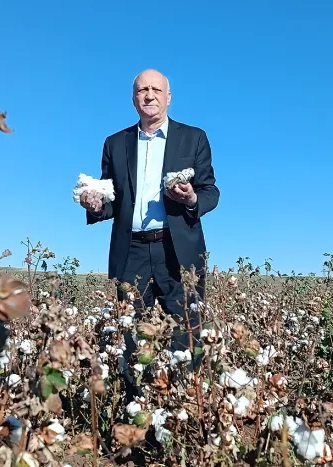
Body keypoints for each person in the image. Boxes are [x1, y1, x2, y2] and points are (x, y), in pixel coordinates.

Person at [80, 69, 220, 393]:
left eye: (156, 89)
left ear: (168, 97)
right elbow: (112, 199)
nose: (149, 95)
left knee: (186, 332)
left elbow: (210, 191)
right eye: (142, 90)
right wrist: (96, 204)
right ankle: (135, 408)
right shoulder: (115, 144)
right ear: (133, 99)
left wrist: (191, 198)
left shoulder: (194, 138)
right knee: (129, 335)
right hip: (131, 252)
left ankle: (182, 409)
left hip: (178, 251)